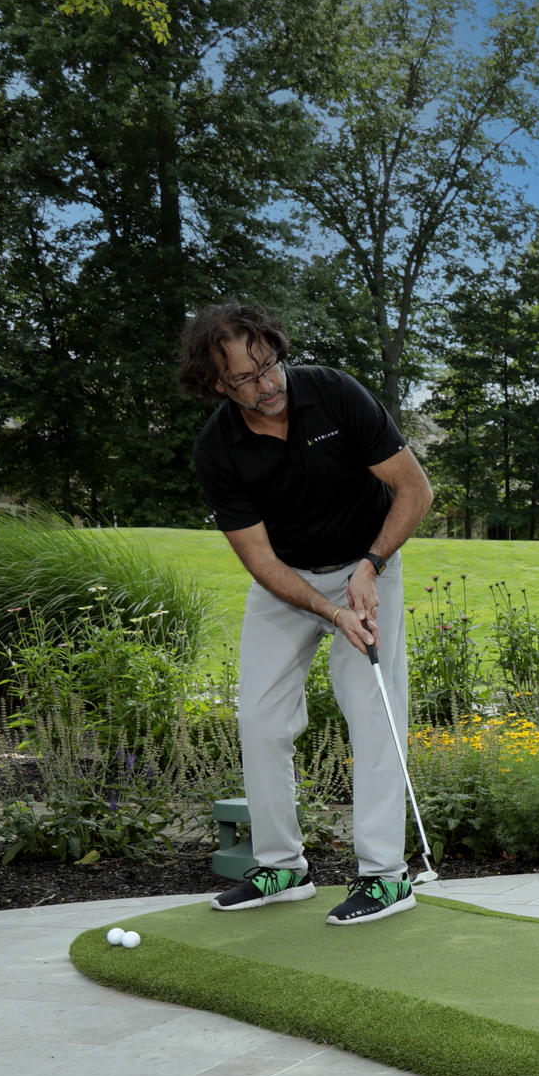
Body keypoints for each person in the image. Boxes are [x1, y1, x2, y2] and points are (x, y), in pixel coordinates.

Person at [181, 301, 434, 925]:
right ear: (216, 384)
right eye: (246, 378)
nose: (268, 385)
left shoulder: (333, 393)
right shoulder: (218, 448)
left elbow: (414, 489)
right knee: (260, 719)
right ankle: (282, 868)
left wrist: (370, 566)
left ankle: (386, 876)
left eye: (270, 365)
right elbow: (260, 561)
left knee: (373, 714)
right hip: (287, 583)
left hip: (366, 565)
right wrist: (327, 608)